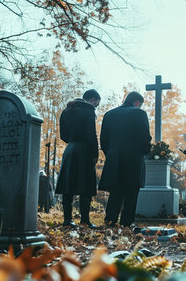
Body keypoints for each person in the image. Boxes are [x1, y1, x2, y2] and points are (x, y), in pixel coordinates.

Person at [98, 91, 151, 227]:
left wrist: (110, 153)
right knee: (132, 192)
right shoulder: (140, 114)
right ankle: (127, 223)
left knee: (115, 191)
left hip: (114, 158)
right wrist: (144, 152)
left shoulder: (109, 114)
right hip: (134, 158)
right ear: (137, 102)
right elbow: (145, 137)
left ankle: (110, 220)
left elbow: (103, 139)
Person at [55, 89, 100, 228]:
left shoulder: (66, 111)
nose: (96, 107)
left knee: (68, 185)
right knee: (85, 185)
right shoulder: (89, 111)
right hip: (85, 150)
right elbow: (91, 134)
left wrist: (73, 142)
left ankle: (67, 220)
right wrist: (95, 154)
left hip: (70, 150)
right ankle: (85, 220)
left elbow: (63, 136)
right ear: (92, 100)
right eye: (96, 104)